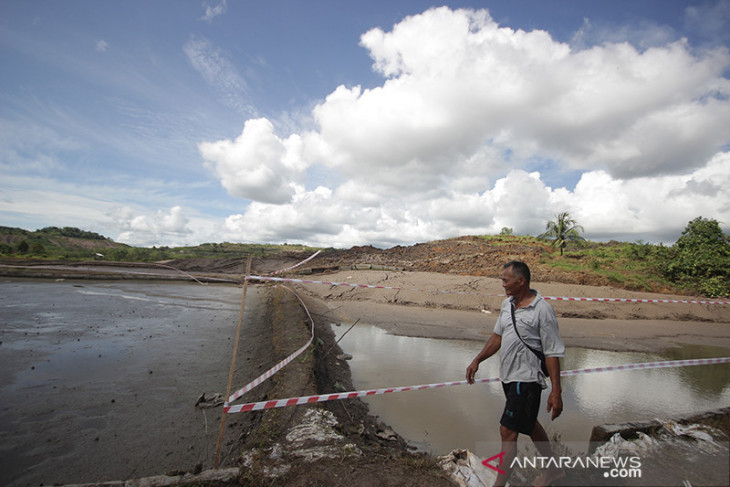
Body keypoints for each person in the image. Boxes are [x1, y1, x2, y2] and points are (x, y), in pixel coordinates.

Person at [466, 261, 566, 487]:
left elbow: (552, 352)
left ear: (521, 281)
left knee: (508, 431)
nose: (502, 284)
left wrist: (556, 392)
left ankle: (498, 485)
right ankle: (554, 470)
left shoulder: (542, 310)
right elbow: (497, 337)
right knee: (529, 424)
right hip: (508, 377)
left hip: (527, 379)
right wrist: (477, 360)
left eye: (505, 279)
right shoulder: (506, 305)